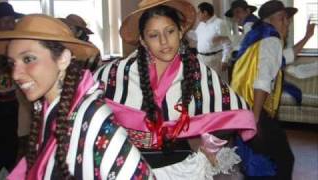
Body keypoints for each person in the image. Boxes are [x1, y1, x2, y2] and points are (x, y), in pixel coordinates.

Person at [95, 0, 257, 179]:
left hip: (179, 169)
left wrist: (208, 142)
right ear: (142, 40)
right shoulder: (116, 73)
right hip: (128, 168)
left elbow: (232, 108)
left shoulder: (197, 71)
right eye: (153, 35)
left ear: (180, 32)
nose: (164, 42)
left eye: (170, 31)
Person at [0, 14, 155, 179]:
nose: (15, 74)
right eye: (12, 63)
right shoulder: (47, 111)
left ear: (63, 59)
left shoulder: (92, 115)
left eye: (28, 59)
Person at [230, 1, 315, 179]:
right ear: (268, 21)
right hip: (256, 112)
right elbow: (262, 80)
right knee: (284, 160)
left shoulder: (260, 37)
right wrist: (255, 117)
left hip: (243, 108)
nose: (287, 23)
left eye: (288, 19)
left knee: (259, 160)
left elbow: (285, 57)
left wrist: (307, 36)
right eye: (281, 18)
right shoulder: (272, 39)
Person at [0, 1, 24, 173]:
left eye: (11, 21)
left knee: (10, 142)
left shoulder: (14, 44)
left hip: (10, 102)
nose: (10, 25)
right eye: (5, 21)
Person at [187, 2, 231, 81]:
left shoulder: (220, 23)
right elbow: (197, 37)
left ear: (205, 13)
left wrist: (225, 60)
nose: (197, 14)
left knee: (218, 84)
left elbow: (227, 44)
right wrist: (186, 31)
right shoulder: (201, 24)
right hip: (201, 58)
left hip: (215, 60)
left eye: (199, 12)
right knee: (205, 84)